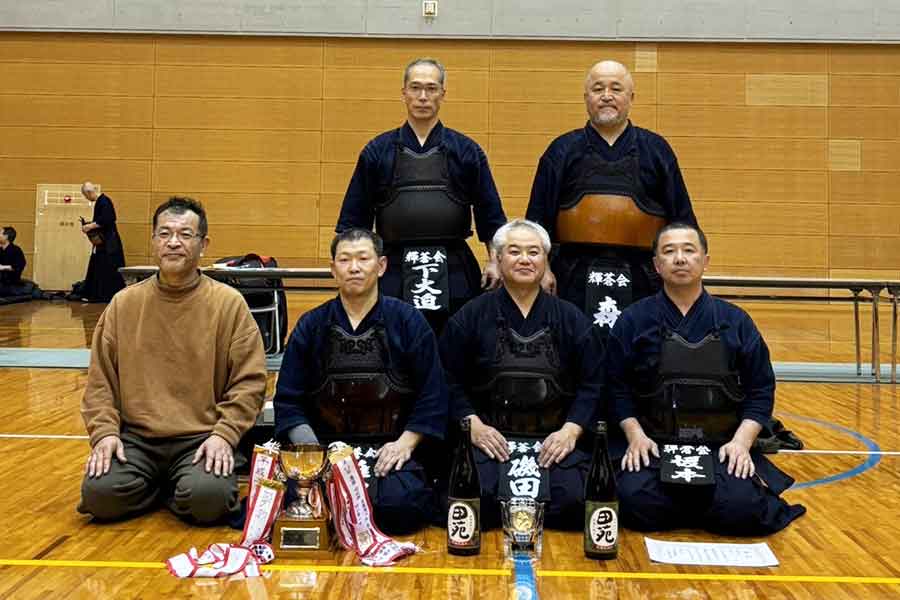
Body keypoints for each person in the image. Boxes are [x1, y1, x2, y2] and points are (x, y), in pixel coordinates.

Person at [606, 222, 806, 535]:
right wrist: (635, 436)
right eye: (669, 252)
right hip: (655, 446)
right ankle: (699, 506)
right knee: (635, 503)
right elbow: (615, 386)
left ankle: (707, 501)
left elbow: (761, 389)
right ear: (657, 265)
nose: (680, 258)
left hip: (720, 446)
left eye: (689, 250)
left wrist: (742, 442)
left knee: (743, 508)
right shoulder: (634, 319)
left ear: (705, 260)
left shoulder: (735, 321)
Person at [79, 197, 267, 524]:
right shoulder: (124, 304)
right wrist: (105, 433)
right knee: (101, 496)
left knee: (208, 499)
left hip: (201, 439)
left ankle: (179, 485)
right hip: (135, 441)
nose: (174, 242)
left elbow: (250, 383)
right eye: (164, 234)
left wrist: (224, 435)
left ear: (203, 244)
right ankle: (166, 487)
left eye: (185, 234)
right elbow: (99, 382)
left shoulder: (228, 304)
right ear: (154, 242)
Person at [273, 228, 448, 534]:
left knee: (399, 509)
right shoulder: (311, 325)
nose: (354, 267)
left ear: (380, 266)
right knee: (302, 505)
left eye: (363, 258)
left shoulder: (409, 322)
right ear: (333, 270)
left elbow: (432, 396)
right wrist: (313, 456)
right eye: (345, 260)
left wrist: (405, 444)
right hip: (324, 450)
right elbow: (289, 399)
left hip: (388, 448)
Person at [439, 219, 604, 529]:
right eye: (514, 252)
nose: (525, 259)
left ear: (546, 260)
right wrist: (472, 424)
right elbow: (448, 378)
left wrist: (571, 430)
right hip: (492, 438)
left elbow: (592, 383)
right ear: (498, 260)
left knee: (576, 501)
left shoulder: (571, 319)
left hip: (551, 440)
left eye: (534, 252)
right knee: (470, 500)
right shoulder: (470, 317)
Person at [336, 57, 507, 335]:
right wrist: (356, 266)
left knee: (455, 346)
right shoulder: (377, 151)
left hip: (454, 266)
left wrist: (495, 261)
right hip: (393, 266)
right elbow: (354, 221)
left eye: (431, 88)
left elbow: (491, 215)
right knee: (396, 342)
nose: (423, 96)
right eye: (415, 88)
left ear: (443, 94)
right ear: (403, 93)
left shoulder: (466, 151)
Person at [526, 60, 696, 337]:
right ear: (586, 98)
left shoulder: (656, 150)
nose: (606, 95)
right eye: (597, 88)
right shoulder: (561, 150)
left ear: (631, 97)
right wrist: (542, 269)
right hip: (573, 275)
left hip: (642, 276)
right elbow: (536, 222)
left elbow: (682, 222)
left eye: (616, 88)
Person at [80, 182, 126, 302]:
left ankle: (104, 295)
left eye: (86, 196)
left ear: (89, 192)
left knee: (106, 268)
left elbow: (108, 219)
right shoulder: (102, 201)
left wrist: (89, 227)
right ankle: (97, 294)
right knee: (99, 266)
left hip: (109, 243)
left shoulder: (104, 201)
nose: (87, 199)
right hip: (104, 243)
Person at [0, 226, 27, 296]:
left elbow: (19, 266)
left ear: (6, 236)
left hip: (10, 283)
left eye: (0, 233)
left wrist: (3, 267)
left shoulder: (16, 250)